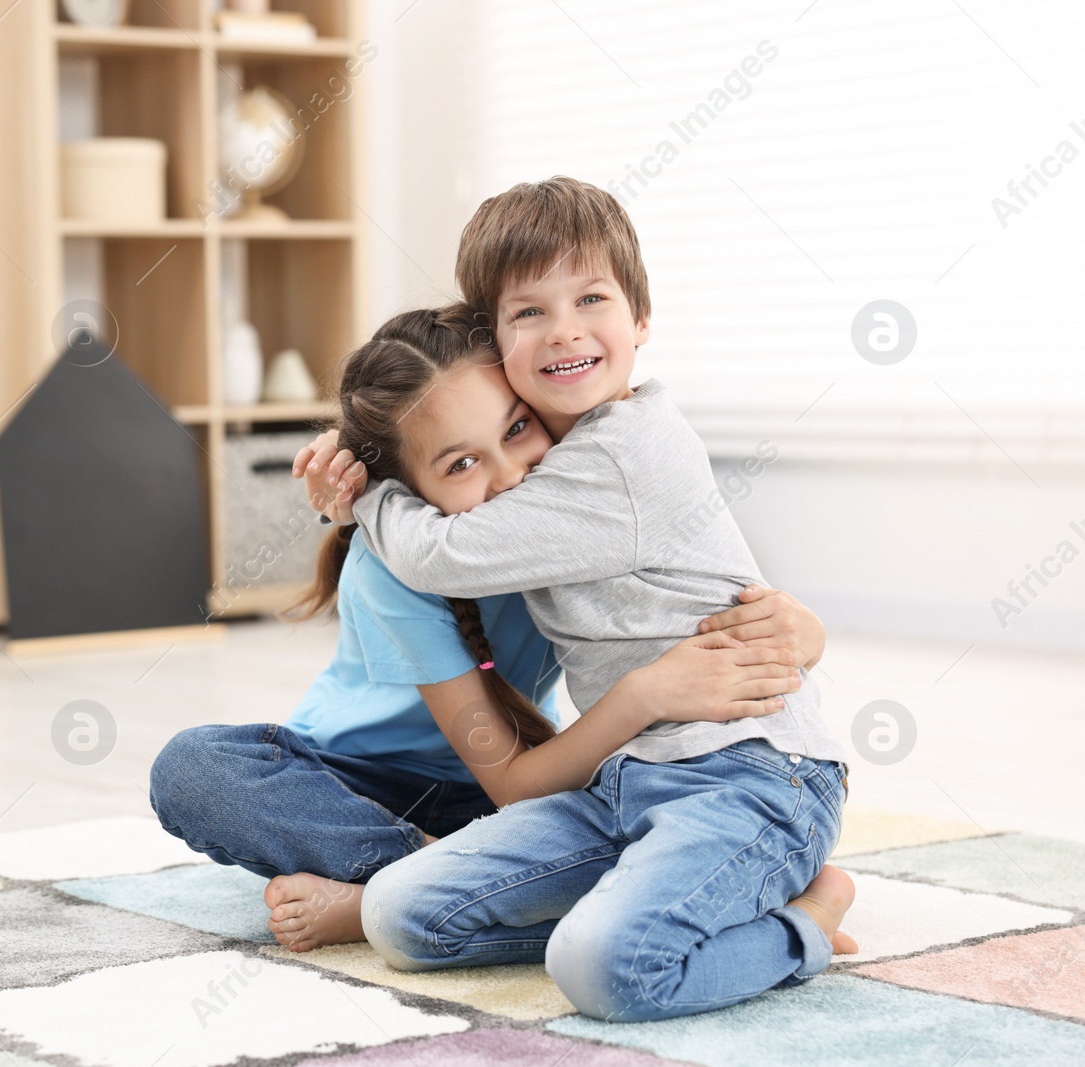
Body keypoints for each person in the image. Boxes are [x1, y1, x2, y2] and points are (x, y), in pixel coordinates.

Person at [308, 177, 855, 1023]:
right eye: (529, 313)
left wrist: (363, 489)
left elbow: (438, 550)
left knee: (606, 970)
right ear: (495, 347)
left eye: (591, 298)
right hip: (625, 779)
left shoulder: (621, 458)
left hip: (751, 777)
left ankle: (804, 921)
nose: (564, 328)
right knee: (401, 915)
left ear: (640, 320)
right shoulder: (559, 451)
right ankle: (656, 908)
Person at [149, 307, 825, 954]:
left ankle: (413, 895)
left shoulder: (571, 519)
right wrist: (645, 694)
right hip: (361, 788)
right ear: (406, 490)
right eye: (460, 464)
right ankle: (419, 879)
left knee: (645, 794)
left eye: (517, 428)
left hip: (515, 786)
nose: (509, 477)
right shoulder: (398, 565)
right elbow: (512, 781)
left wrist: (801, 630)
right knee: (195, 768)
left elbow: (688, 592)